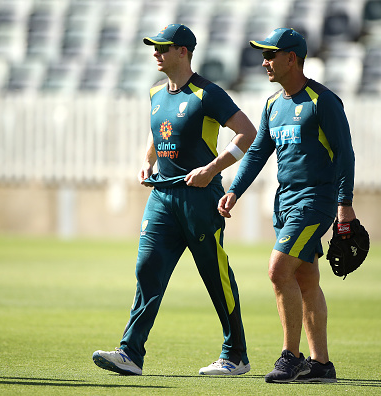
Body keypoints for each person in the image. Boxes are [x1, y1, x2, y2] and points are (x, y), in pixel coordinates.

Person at [92, 24, 257, 376]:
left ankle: (236, 355)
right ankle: (130, 353)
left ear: (183, 52)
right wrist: (147, 161)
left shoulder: (207, 93)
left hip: (199, 199)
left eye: (162, 47)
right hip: (162, 196)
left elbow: (248, 132)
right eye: (154, 47)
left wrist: (212, 169)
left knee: (215, 277)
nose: (155, 53)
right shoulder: (155, 93)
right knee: (146, 269)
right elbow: (159, 131)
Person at [218, 28, 357, 383]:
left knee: (278, 270)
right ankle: (321, 365)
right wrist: (235, 190)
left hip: (315, 201)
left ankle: (290, 357)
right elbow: (259, 153)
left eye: (271, 55)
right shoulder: (271, 105)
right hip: (286, 201)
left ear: (291, 58)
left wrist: (344, 204)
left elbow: (344, 155)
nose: (264, 62)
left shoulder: (322, 101)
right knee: (305, 277)